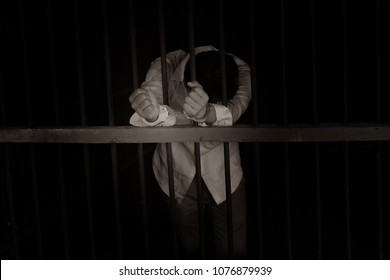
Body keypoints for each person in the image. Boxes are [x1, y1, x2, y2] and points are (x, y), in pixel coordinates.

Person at [129, 45, 251, 259]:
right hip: (177, 171)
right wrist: (152, 115)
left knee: (234, 250)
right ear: (189, 84)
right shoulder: (164, 67)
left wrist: (207, 113)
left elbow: (235, 110)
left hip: (225, 174)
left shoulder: (240, 69)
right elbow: (153, 111)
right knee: (191, 250)